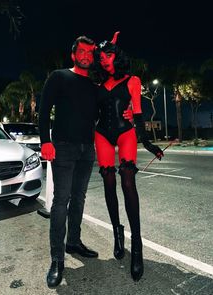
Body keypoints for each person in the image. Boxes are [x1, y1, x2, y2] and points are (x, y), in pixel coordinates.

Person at [92, 32, 164, 281]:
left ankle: (137, 246)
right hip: (102, 134)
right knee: (108, 182)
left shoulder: (132, 80)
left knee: (127, 181)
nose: (104, 60)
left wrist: (148, 143)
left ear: (117, 56)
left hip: (126, 134)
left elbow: (138, 114)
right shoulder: (98, 85)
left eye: (108, 55)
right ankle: (117, 233)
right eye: (100, 58)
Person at [38, 35, 99, 288]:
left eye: (89, 52)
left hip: (87, 149)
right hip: (62, 146)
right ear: (74, 54)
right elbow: (43, 110)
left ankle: (74, 241)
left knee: (80, 197)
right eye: (81, 51)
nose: (86, 55)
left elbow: (102, 114)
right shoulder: (59, 77)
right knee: (61, 201)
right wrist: (45, 141)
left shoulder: (94, 86)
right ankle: (57, 259)